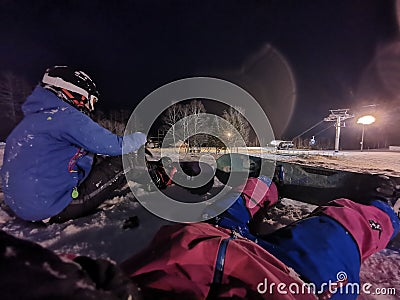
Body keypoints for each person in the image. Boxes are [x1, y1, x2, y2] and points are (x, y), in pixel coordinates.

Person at [0, 66, 146, 223]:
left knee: (93, 157)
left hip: (23, 207)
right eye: (90, 101)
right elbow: (115, 145)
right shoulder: (66, 116)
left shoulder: (31, 121)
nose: (89, 107)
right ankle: (156, 179)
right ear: (76, 93)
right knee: (125, 159)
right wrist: (141, 137)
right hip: (56, 207)